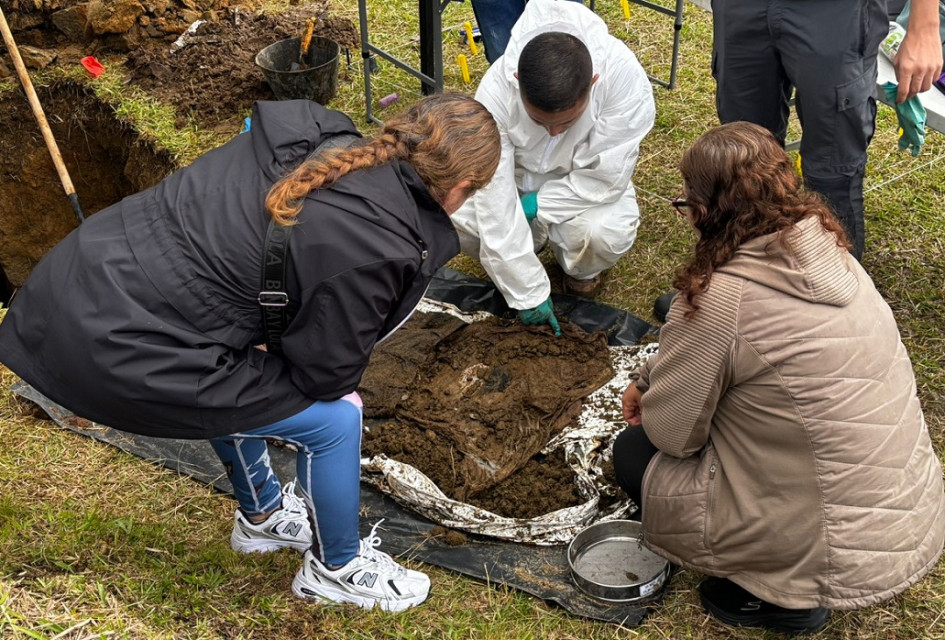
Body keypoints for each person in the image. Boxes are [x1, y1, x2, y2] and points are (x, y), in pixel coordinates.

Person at [0, 94, 500, 612]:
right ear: (461, 187)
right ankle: (336, 569)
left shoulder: (316, 140)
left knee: (241, 363)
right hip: (116, 341)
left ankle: (260, 517)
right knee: (337, 418)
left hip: (86, 274)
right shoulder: (375, 241)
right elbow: (327, 377)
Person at [612, 122, 945, 635]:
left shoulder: (722, 301)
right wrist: (653, 371)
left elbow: (673, 435)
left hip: (829, 546)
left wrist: (654, 396)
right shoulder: (831, 254)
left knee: (633, 454)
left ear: (703, 212)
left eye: (684, 206)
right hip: (903, 516)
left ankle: (777, 597)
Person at [451, 0, 655, 331]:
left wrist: (539, 205)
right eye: (539, 121)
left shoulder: (624, 83)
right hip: (513, 181)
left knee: (600, 234)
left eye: (567, 123)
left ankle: (581, 273)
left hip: (582, 187)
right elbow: (492, 187)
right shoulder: (496, 90)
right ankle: (519, 263)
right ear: (518, 81)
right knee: (454, 214)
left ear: (594, 82)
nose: (554, 132)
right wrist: (526, 292)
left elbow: (605, 177)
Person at [711, 0, 942, 260]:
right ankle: (746, 283)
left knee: (832, 171)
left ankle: (837, 290)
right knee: (744, 160)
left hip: (838, 12)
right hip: (741, 8)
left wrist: (925, 27)